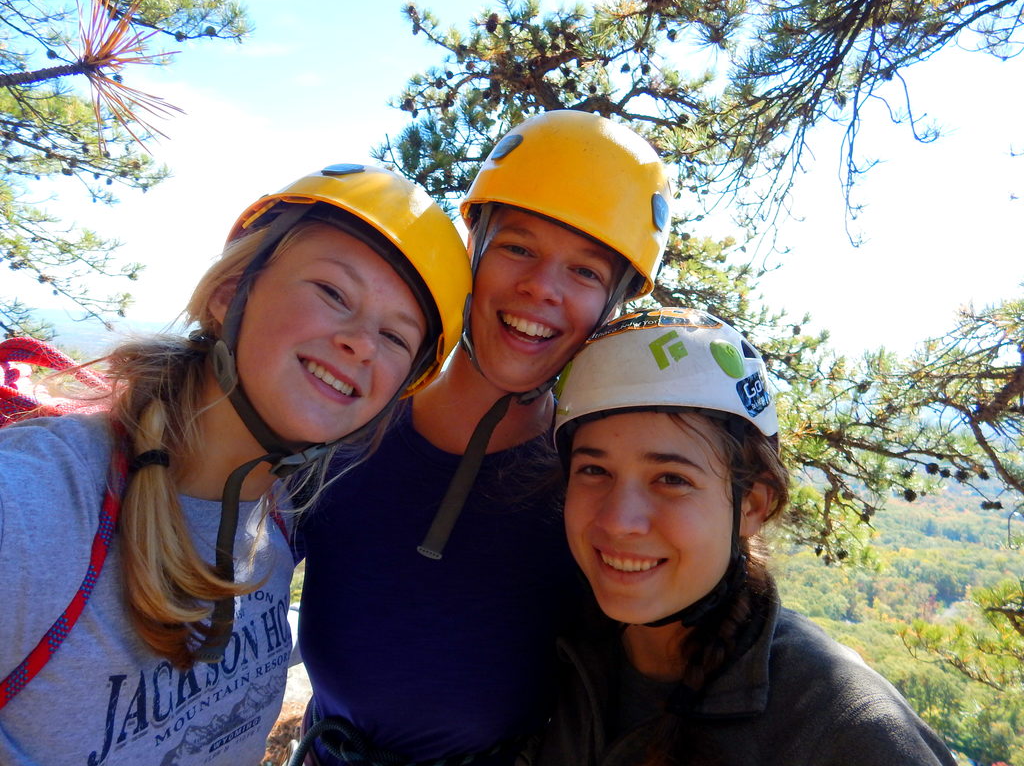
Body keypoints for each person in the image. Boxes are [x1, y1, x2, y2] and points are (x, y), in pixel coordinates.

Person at [0, 163, 471, 766]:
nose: (361, 343)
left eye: (397, 337)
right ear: (230, 294)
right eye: (332, 292)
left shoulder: (280, 522)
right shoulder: (36, 509)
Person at [290, 111, 674, 765]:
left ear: (610, 304)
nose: (541, 288)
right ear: (476, 247)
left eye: (585, 272)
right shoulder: (350, 427)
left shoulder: (590, 494)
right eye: (519, 247)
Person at [527, 306, 959, 766]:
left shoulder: (845, 728)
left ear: (752, 504)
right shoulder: (553, 649)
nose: (618, 521)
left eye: (671, 479)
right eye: (594, 470)